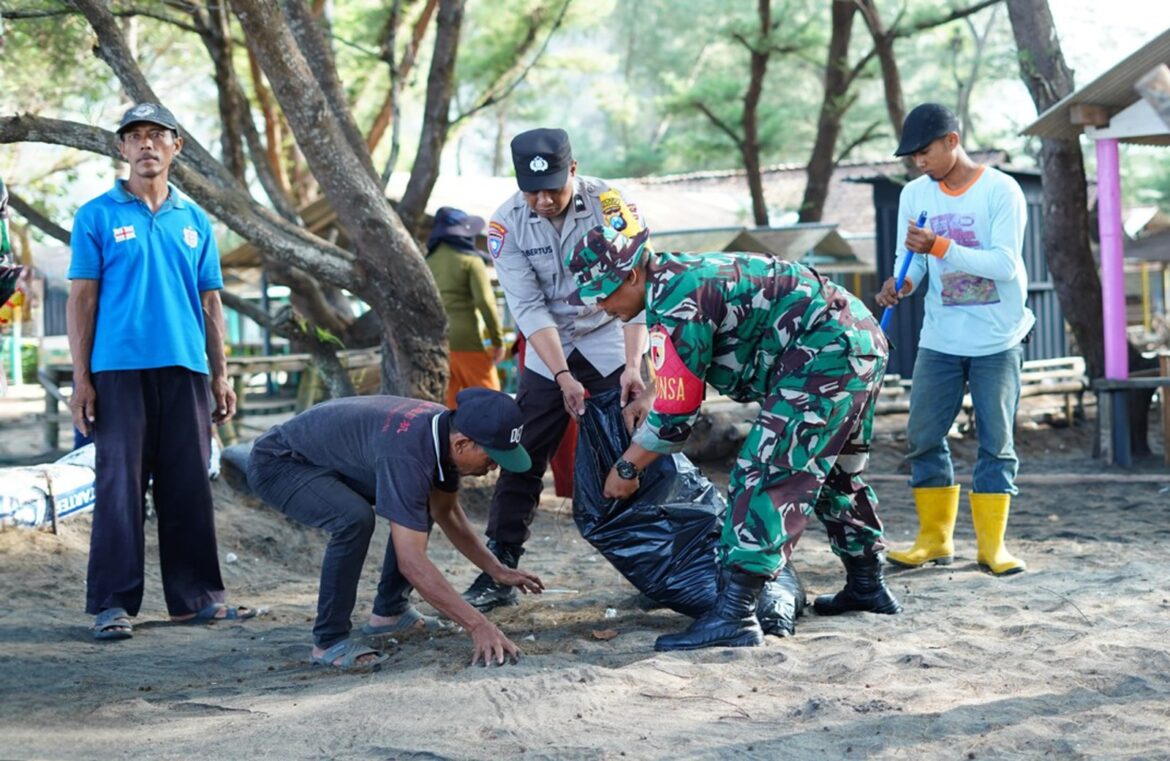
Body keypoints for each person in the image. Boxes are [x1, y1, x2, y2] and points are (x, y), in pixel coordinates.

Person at [565, 225, 902, 651]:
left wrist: (628, 466)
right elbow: (685, 371)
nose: (600, 305)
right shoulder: (678, 279)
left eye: (602, 292)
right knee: (835, 472)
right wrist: (653, 393)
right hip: (855, 339)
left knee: (765, 472)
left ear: (631, 275)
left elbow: (676, 417)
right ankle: (867, 583)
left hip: (826, 352)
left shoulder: (675, 299)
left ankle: (735, 614)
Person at [66, 103, 250, 641]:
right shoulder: (96, 215)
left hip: (187, 369)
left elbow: (211, 303)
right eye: (135, 137)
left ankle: (196, 600)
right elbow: (82, 301)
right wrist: (82, 378)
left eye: (157, 136)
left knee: (189, 484)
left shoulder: (194, 220)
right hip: (118, 370)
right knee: (119, 486)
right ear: (121, 149)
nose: (146, 144)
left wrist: (221, 374)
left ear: (176, 146)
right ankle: (112, 604)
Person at [461, 128, 648, 611]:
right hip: (550, 348)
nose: (543, 201)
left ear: (574, 170)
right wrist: (562, 375)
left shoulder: (612, 206)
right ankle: (499, 565)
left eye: (553, 189)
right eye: (532, 190)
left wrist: (635, 366)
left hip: (611, 328)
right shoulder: (505, 225)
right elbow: (527, 306)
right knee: (521, 450)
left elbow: (639, 288)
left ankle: (659, 560)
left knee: (636, 445)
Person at [246, 388, 545, 669]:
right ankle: (328, 643)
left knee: (420, 501)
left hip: (328, 461)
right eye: (492, 458)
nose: (493, 467)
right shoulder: (409, 453)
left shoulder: (441, 431)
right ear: (462, 444)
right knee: (354, 519)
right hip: (280, 463)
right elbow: (411, 562)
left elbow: (445, 510)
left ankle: (389, 613)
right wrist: (478, 625)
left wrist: (496, 570)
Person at [875, 103, 1033, 577]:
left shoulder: (1001, 190)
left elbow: (1005, 264)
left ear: (952, 140)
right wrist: (901, 284)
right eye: (912, 157)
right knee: (923, 437)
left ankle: (992, 548)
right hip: (940, 339)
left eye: (925, 152)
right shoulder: (914, 195)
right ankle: (934, 540)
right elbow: (917, 265)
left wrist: (939, 246)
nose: (919, 162)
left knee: (997, 443)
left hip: (997, 339)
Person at [424, 206, 506, 408]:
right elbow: (485, 302)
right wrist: (498, 340)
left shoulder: (428, 261)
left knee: (448, 404)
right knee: (491, 399)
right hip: (466, 339)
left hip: (435, 340)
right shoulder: (470, 260)